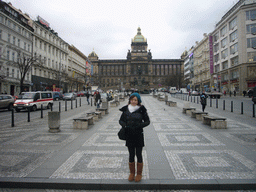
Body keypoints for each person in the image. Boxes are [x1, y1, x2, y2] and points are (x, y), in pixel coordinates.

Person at [119, 92, 150, 182]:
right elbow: (120, 120)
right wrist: (125, 125)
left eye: (135, 100)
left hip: (138, 134)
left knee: (139, 154)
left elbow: (147, 121)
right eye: (132, 99)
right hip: (129, 134)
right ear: (130, 100)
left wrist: (139, 125)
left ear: (138, 101)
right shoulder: (126, 109)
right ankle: (132, 173)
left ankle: (139, 174)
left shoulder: (141, 110)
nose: (133, 101)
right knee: (131, 154)